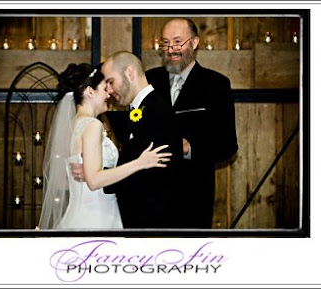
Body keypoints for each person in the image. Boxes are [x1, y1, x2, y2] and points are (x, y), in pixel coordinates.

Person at [37, 63, 172, 229]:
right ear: (90, 91)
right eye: (103, 88)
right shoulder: (93, 125)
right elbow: (94, 181)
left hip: (82, 212)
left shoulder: (74, 124)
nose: (108, 93)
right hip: (97, 216)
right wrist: (141, 162)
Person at [146, 18, 238, 228]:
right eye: (166, 43)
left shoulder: (217, 84)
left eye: (178, 42)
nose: (171, 49)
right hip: (151, 196)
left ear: (195, 43)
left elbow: (228, 145)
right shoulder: (149, 80)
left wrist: (189, 148)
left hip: (193, 199)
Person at [101, 51, 183, 228]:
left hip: (151, 225)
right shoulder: (140, 109)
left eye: (110, 81)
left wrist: (100, 178)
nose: (108, 89)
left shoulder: (158, 112)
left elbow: (154, 176)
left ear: (130, 73)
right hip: (139, 221)